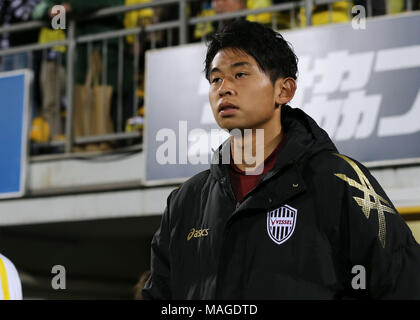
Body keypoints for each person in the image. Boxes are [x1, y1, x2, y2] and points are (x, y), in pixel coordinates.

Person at [142, 20, 420, 299]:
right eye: (216, 79)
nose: (224, 88)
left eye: (240, 74)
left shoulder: (342, 181)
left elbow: (404, 282)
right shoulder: (185, 202)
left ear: (284, 91)